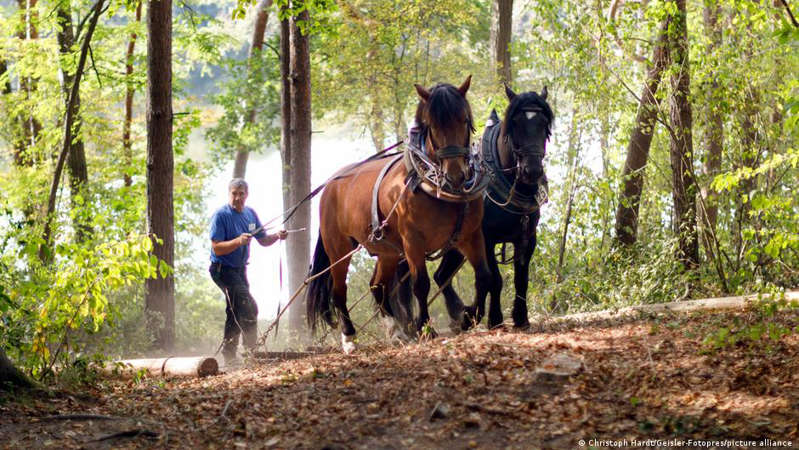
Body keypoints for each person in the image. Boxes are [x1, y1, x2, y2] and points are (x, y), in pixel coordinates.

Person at [209, 178, 287, 363]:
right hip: (222, 270)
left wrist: (277, 236)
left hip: (240, 271)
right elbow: (217, 248)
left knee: (235, 310)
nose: (237, 197)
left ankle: (230, 355)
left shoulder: (250, 215)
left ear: (247, 195)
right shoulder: (221, 215)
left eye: (241, 193)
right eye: (234, 193)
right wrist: (238, 241)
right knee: (249, 307)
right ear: (229, 194)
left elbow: (263, 240)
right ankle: (251, 354)